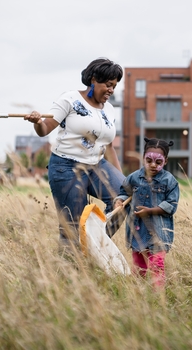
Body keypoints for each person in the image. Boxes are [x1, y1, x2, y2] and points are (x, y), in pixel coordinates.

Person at [24, 58, 125, 249]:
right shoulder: (70, 99)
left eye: (114, 86)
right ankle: (68, 272)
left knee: (124, 199)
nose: (111, 90)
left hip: (97, 165)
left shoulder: (109, 109)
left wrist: (124, 181)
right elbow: (45, 129)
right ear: (94, 80)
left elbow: (109, 146)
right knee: (71, 227)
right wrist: (37, 122)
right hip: (66, 166)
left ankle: (96, 247)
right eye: (108, 84)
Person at [114, 137, 180, 289]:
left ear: (166, 161)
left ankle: (158, 296)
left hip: (158, 232)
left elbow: (171, 204)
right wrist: (120, 201)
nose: (153, 165)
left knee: (157, 264)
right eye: (149, 160)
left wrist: (150, 211)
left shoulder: (169, 181)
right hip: (137, 231)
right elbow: (124, 192)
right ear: (143, 157)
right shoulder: (134, 177)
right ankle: (138, 294)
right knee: (139, 266)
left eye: (158, 162)